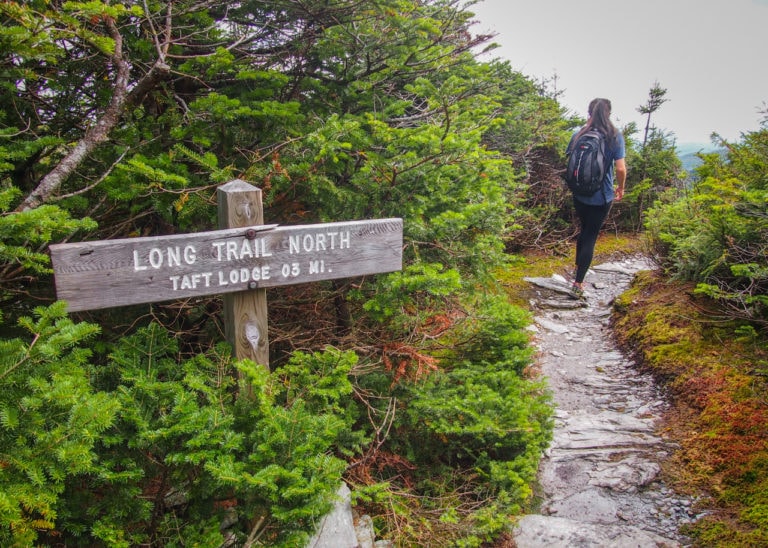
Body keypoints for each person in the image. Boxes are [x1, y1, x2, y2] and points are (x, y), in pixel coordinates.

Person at [566, 98, 626, 299]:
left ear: (589, 112)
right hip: (601, 196)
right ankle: (578, 282)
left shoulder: (579, 134)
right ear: (608, 113)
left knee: (583, 230)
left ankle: (577, 269)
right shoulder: (614, 136)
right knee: (591, 234)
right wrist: (621, 187)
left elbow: (570, 159)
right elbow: (620, 168)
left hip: (579, 193)